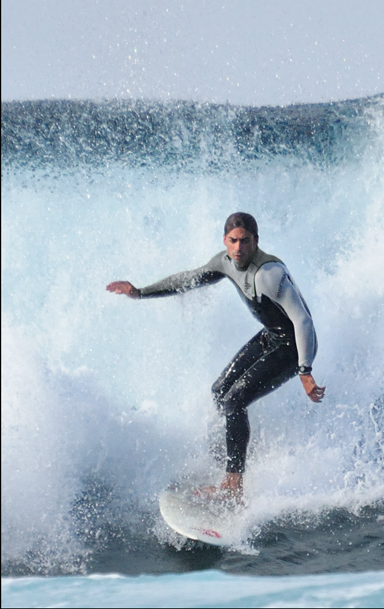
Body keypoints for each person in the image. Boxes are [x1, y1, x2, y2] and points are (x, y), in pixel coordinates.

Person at [107, 212, 324, 502]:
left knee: (235, 401)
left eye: (245, 241)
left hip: (294, 348)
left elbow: (303, 321)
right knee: (221, 392)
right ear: (225, 240)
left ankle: (233, 487)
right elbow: (188, 279)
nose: (238, 248)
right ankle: (237, 458)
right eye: (233, 241)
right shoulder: (224, 262)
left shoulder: (269, 274)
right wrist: (140, 292)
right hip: (271, 336)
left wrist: (305, 370)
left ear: (256, 242)